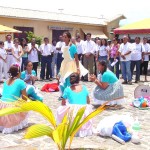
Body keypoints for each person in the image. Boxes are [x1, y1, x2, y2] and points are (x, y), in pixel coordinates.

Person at [57, 73, 93, 137]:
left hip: (73, 114)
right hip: (83, 112)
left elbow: (63, 103)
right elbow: (88, 101)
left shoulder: (67, 89)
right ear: (79, 79)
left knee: (61, 109)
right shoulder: (84, 88)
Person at [0, 64, 28, 134]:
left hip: (1, 105)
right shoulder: (21, 82)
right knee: (27, 105)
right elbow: (25, 98)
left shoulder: (6, 81)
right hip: (11, 106)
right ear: (18, 73)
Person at [59, 31, 88, 97]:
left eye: (65, 37)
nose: (64, 38)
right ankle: (66, 94)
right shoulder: (63, 46)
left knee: (70, 79)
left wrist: (78, 68)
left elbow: (76, 58)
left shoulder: (73, 46)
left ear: (69, 38)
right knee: (64, 80)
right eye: (63, 37)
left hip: (71, 65)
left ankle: (71, 94)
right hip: (64, 64)